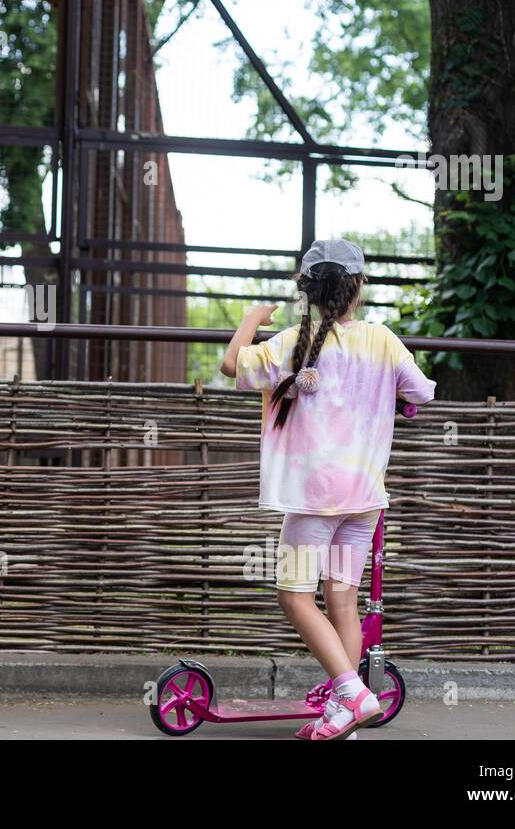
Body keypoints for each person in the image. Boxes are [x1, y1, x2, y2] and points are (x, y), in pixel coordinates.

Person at [219, 239, 436, 740]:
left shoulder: (291, 341)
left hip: (313, 502)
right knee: (341, 597)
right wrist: (397, 401)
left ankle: (354, 694)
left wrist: (251, 318)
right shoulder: (383, 341)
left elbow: (233, 366)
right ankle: (346, 714)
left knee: (294, 596)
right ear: (358, 287)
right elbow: (421, 392)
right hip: (362, 501)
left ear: (307, 290)